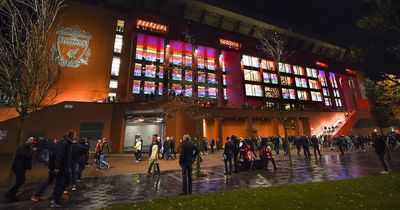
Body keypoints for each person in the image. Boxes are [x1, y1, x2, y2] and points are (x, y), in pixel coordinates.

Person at [4, 137, 36, 203]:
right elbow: (27, 155)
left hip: (20, 168)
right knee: (20, 181)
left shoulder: (26, 148)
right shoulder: (23, 148)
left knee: (20, 181)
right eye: (32, 143)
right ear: (29, 142)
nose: (33, 145)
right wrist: (33, 150)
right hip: (18, 168)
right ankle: (9, 194)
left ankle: (11, 194)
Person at [51, 131, 74, 208]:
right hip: (62, 167)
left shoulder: (68, 143)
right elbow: (60, 155)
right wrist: (57, 167)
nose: (76, 136)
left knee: (67, 180)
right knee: (60, 183)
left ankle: (57, 195)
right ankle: (55, 199)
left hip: (65, 166)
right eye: (75, 135)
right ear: (71, 136)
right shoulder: (65, 143)